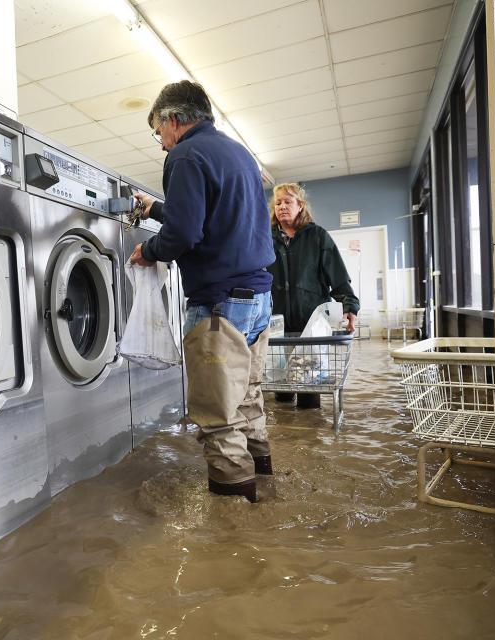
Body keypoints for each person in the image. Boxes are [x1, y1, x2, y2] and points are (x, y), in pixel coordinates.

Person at [128, 80, 275, 502]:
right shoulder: (237, 153)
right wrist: (155, 209)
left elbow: (185, 234)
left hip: (220, 305)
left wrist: (149, 250)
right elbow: (212, 216)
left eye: (159, 131)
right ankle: (265, 492)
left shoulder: (184, 155)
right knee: (247, 403)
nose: (161, 144)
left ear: (174, 120)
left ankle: (233, 531)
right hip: (258, 301)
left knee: (217, 417)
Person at [268, 183, 360, 408]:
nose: (282, 207)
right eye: (278, 202)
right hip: (276, 327)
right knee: (280, 391)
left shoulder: (318, 236)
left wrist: (350, 306)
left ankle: (310, 439)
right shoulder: (265, 237)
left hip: (311, 327)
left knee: (309, 390)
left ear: (300, 206)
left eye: (288, 202)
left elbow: (338, 276)